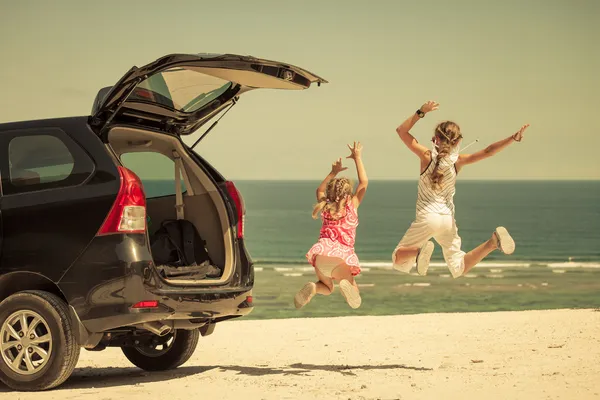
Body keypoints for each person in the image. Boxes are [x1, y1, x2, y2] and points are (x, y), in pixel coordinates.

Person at [392, 100, 530, 278]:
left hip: (427, 217)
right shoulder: (458, 161)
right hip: (447, 221)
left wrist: (421, 112)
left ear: (436, 139)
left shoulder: (426, 156)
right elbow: (489, 151)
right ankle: (492, 242)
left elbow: (401, 131)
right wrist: (513, 138)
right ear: (458, 141)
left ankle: (418, 253)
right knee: (458, 268)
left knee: (398, 259)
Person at [295, 142, 368, 309]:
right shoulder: (352, 205)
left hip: (322, 256)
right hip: (340, 258)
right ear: (348, 194)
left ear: (330, 193)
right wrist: (357, 158)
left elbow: (319, 191)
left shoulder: (325, 207)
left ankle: (314, 288)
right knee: (354, 296)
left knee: (326, 288)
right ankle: (348, 288)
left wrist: (333, 172)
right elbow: (363, 183)